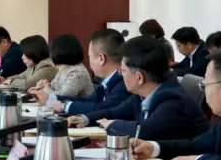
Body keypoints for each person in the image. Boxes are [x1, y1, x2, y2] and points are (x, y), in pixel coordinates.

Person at [68, 36, 209, 140]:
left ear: (139, 77)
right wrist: (84, 118)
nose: (120, 75)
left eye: (123, 71)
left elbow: (147, 131)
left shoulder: (173, 99)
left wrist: (113, 125)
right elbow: (114, 112)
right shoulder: (142, 94)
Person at [40, 29, 129, 115]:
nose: (89, 60)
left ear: (101, 59)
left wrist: (65, 106)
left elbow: (103, 108)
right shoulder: (106, 81)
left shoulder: (124, 82)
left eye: (90, 56)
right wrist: (52, 97)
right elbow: (88, 100)